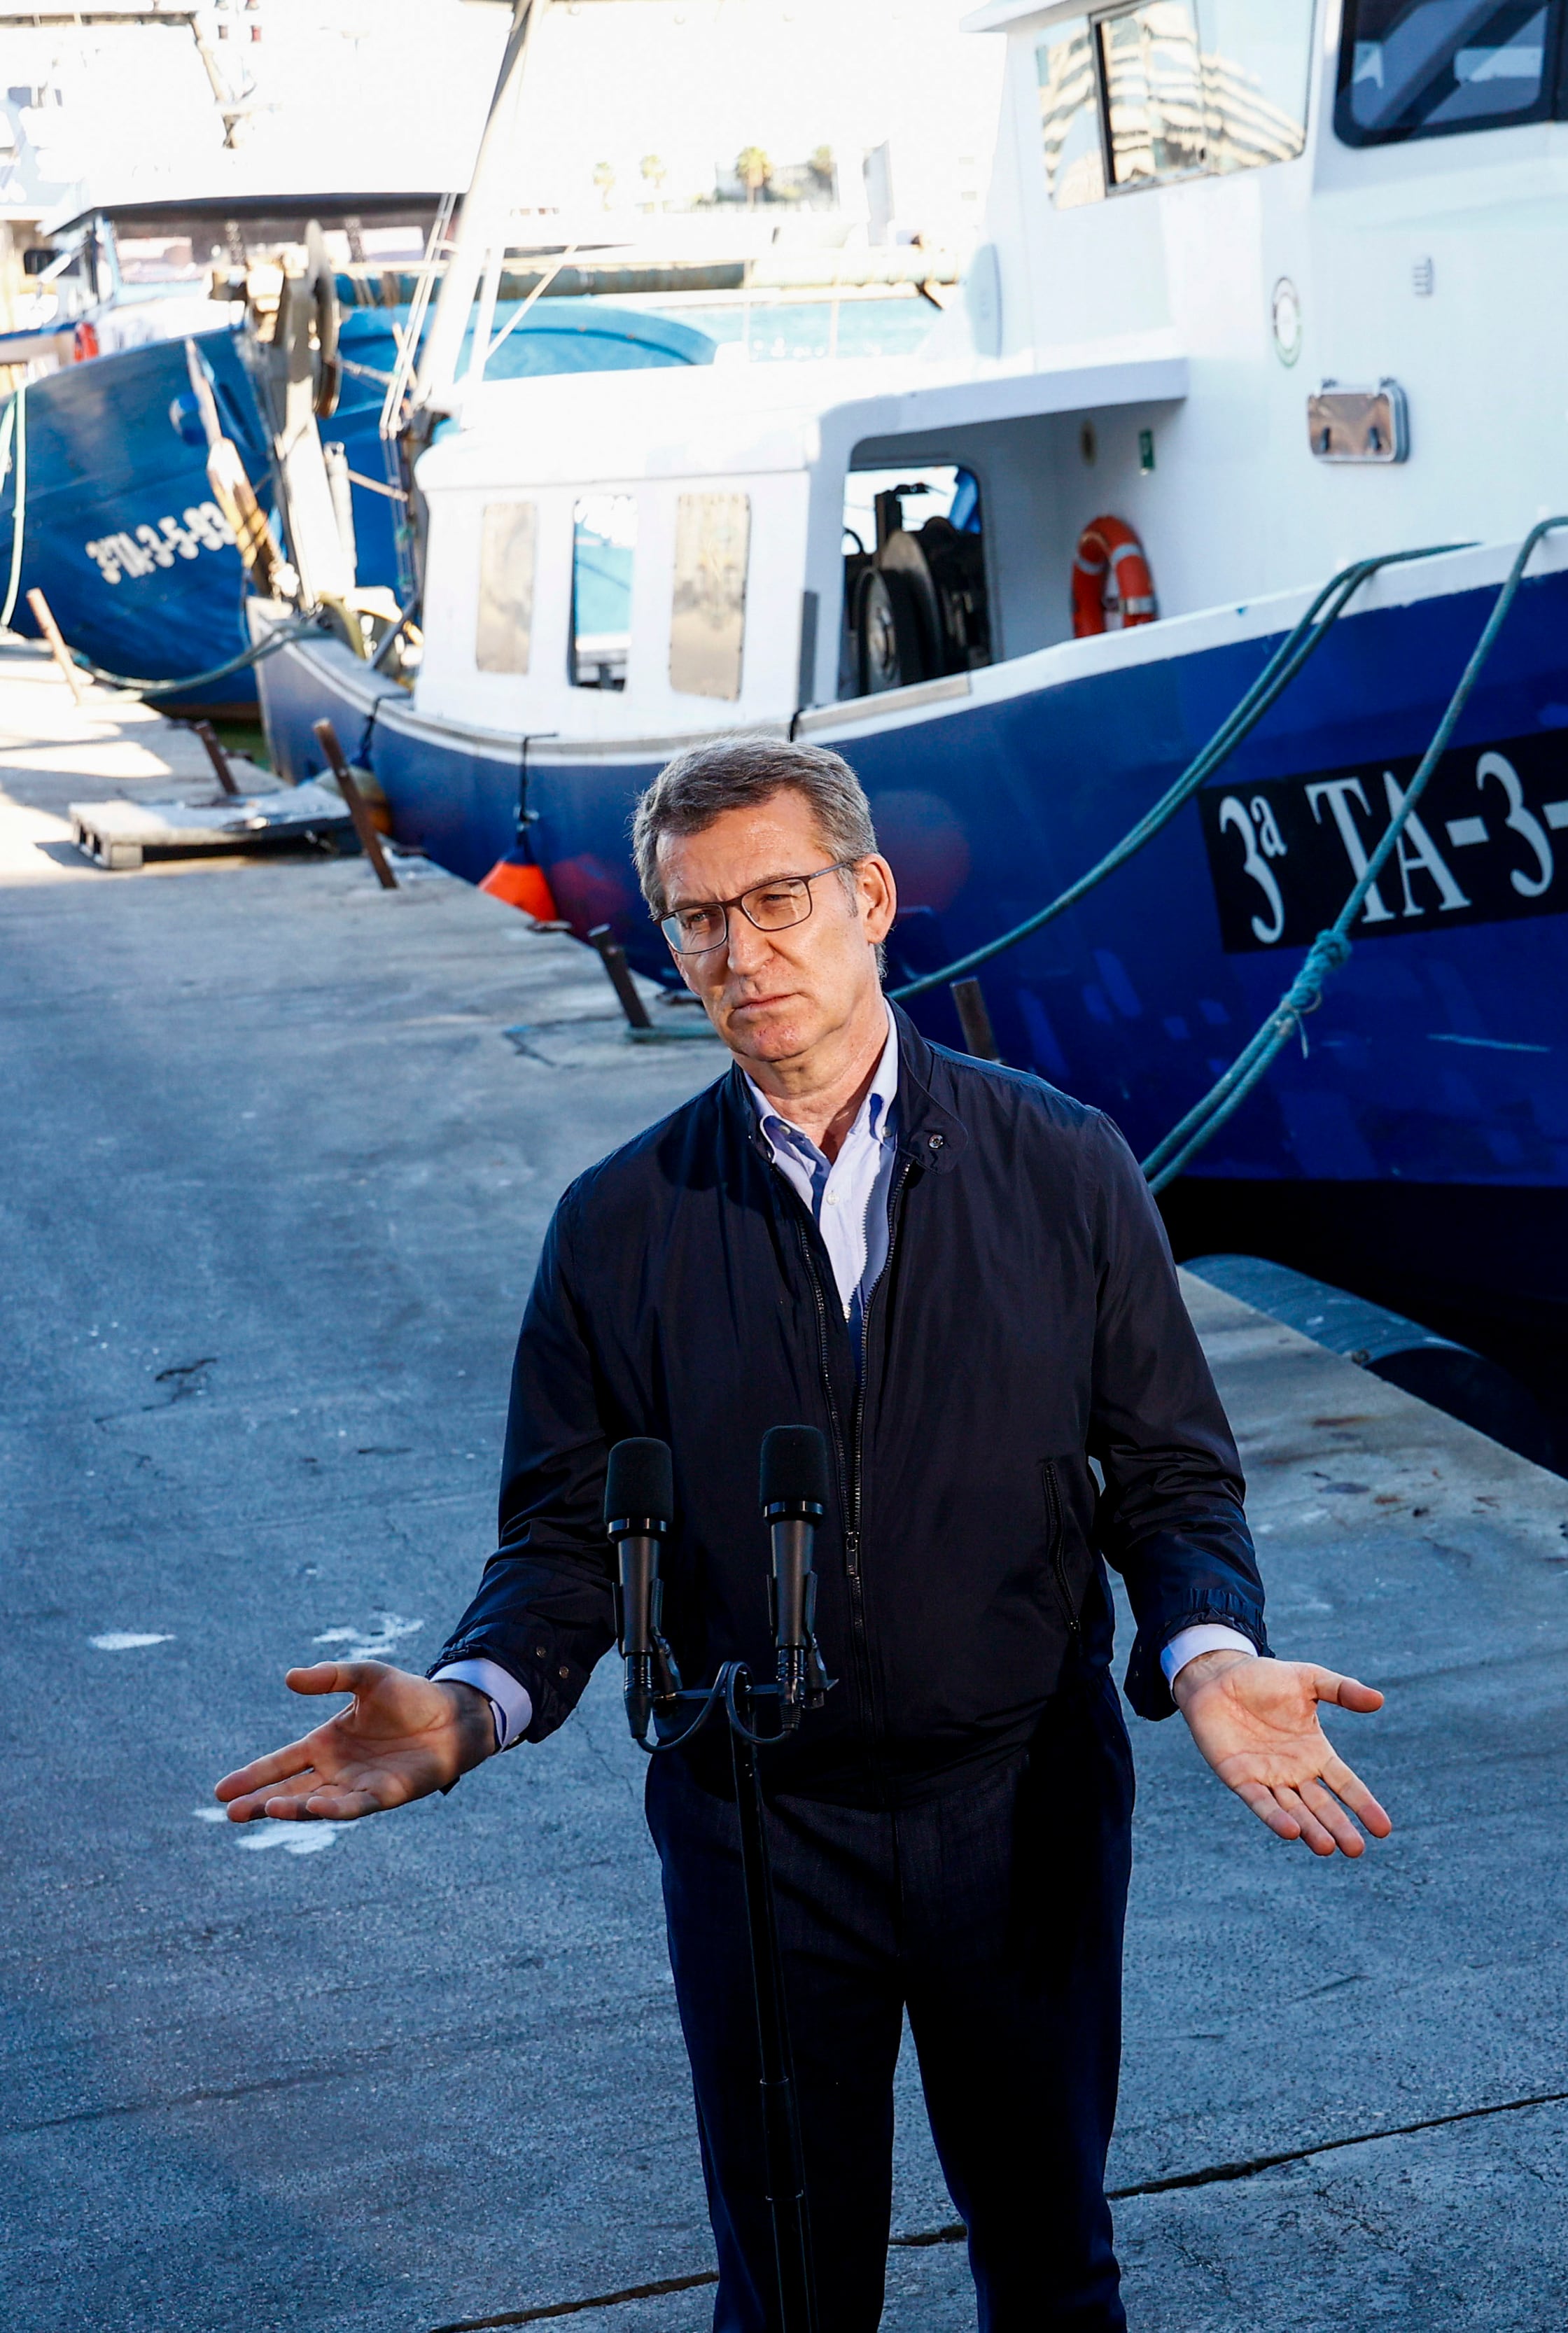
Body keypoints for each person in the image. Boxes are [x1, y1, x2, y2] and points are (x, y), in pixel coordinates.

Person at [212, 737, 1389, 2330]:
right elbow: (562, 1539)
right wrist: (474, 1699)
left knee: (1052, 2255)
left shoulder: (1065, 1166)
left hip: (1019, 1807)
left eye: (777, 899)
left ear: (871, 896)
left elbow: (1171, 1478)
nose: (740, 951)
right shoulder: (620, 1223)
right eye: (697, 918)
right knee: (788, 2287)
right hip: (757, 1830)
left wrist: (1208, 1653)